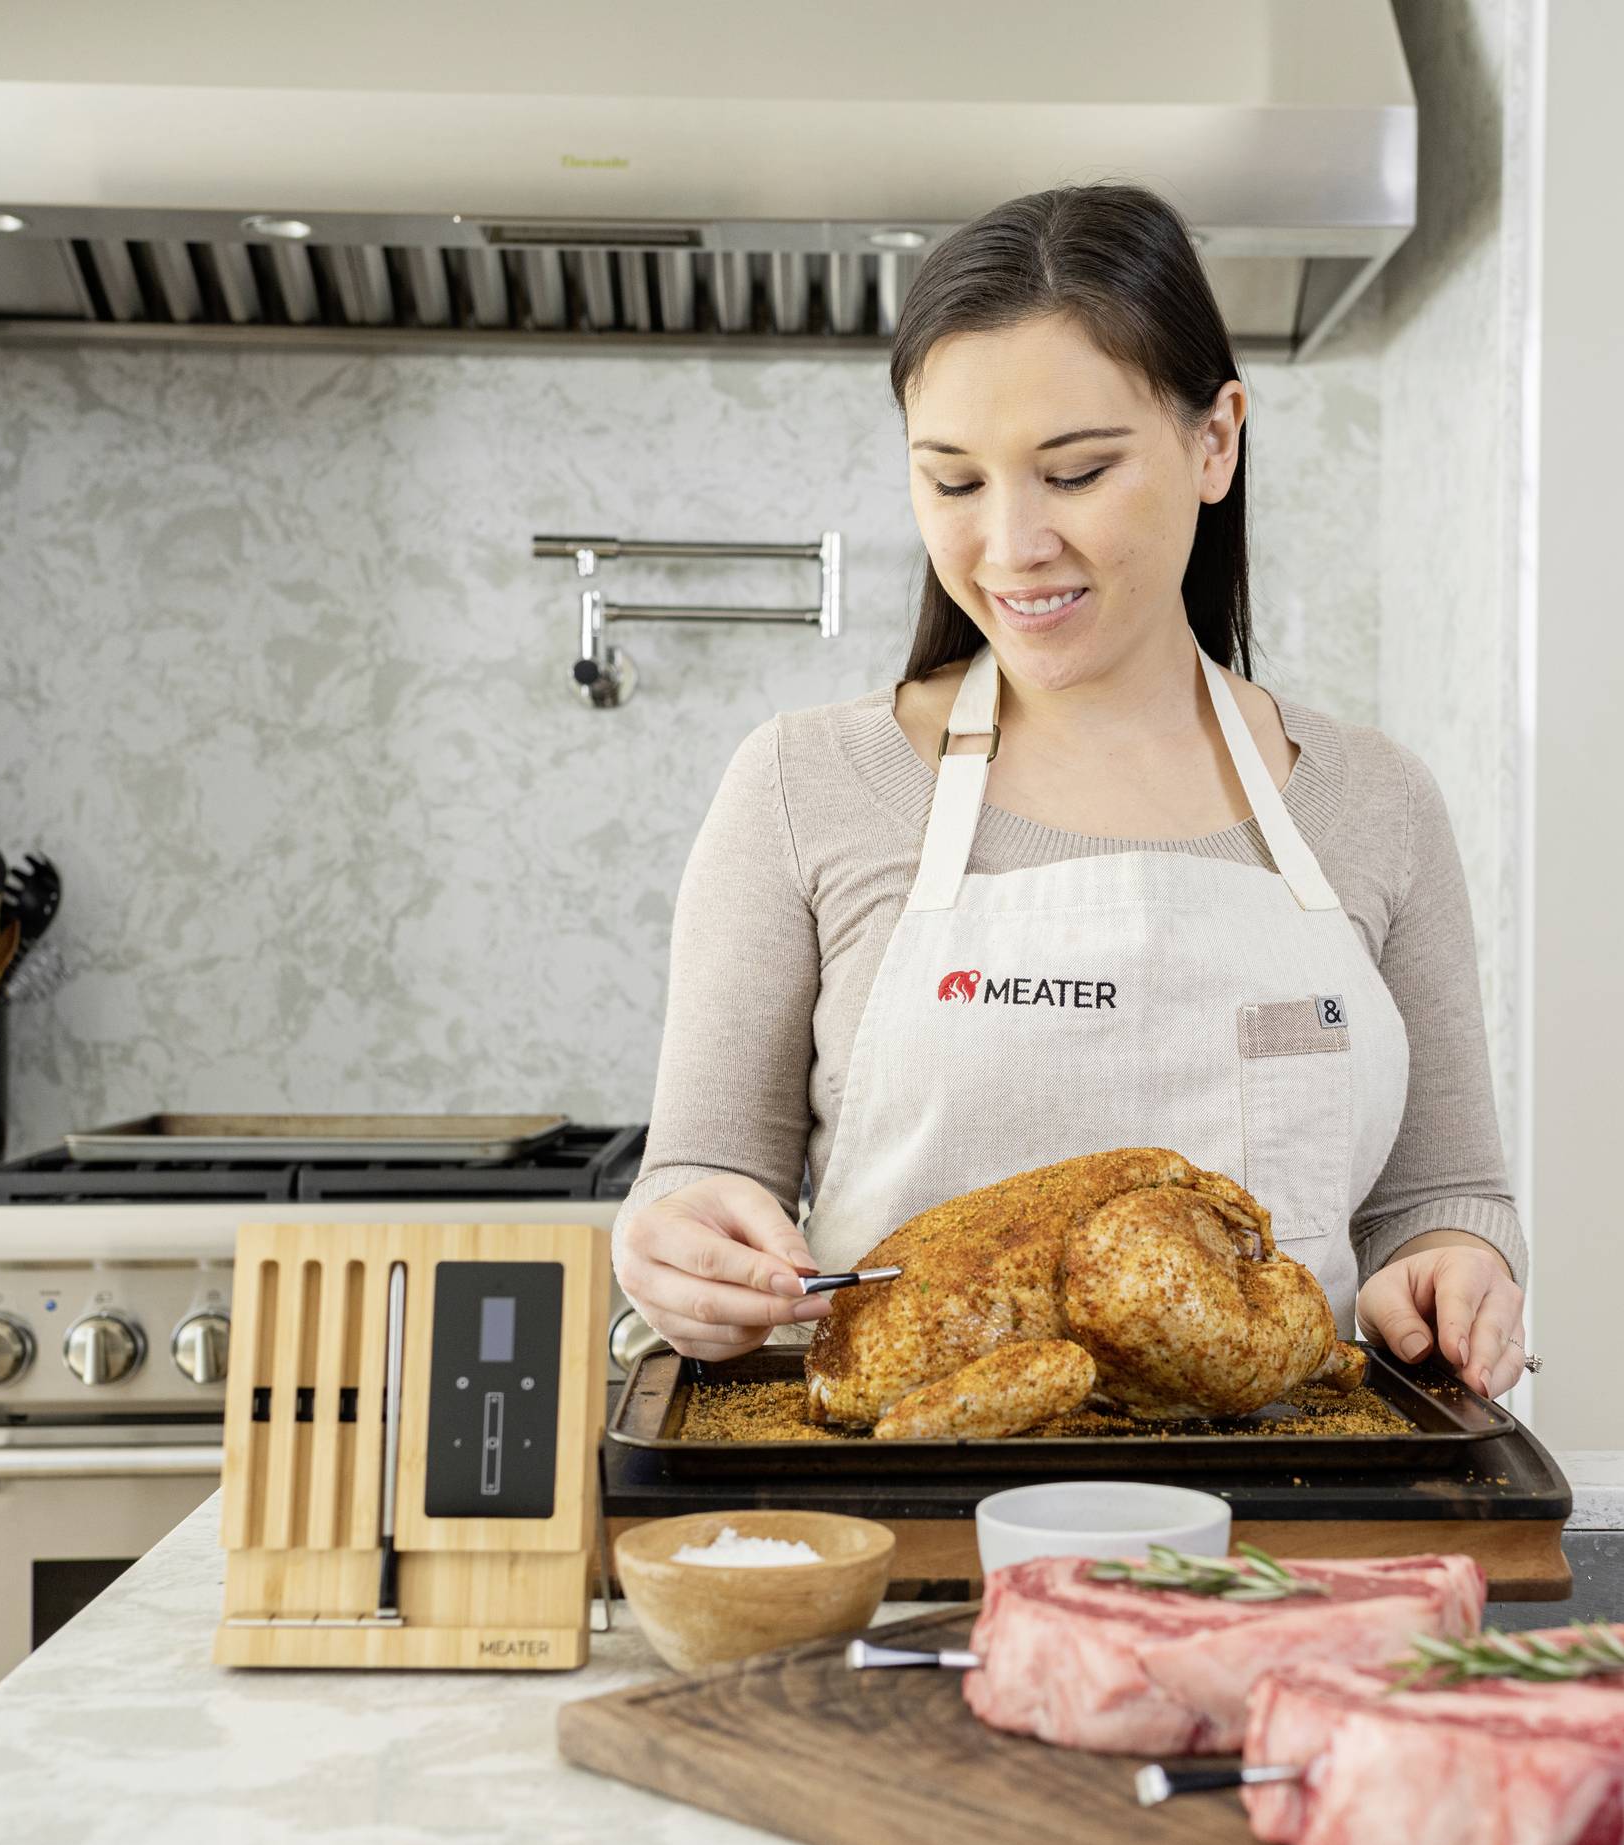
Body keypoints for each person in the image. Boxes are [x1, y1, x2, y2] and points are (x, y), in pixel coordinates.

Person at [614, 183, 1530, 1400]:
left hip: (1275, 1544)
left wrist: (1450, 1262)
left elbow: (1435, 1198)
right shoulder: (807, 784)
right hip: (897, 1544)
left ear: (1217, 441)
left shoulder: (1375, 802)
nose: (1011, 545)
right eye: (953, 482)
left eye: (1077, 471)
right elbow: (700, 1174)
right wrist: (686, 1245)